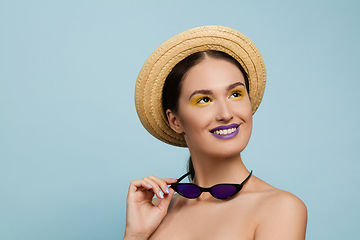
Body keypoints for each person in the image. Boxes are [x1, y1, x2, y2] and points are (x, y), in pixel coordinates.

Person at [124, 26, 307, 240]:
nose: (226, 113)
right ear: (175, 121)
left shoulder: (281, 208)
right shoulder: (156, 209)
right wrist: (135, 235)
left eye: (235, 94)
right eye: (204, 100)